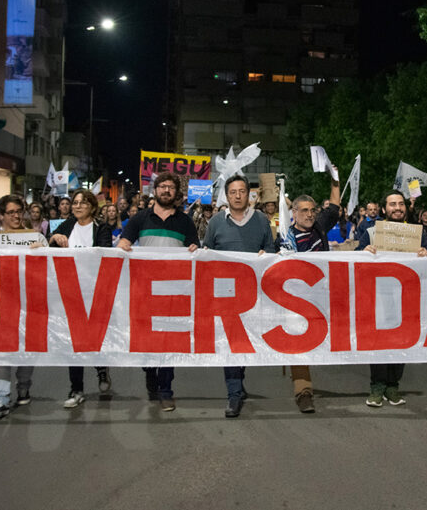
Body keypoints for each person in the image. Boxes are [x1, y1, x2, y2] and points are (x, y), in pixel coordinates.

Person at [118, 173, 200, 411]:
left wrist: (195, 248)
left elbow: (194, 248)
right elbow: (124, 242)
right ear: (155, 190)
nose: (166, 190)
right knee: (147, 341)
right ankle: (149, 371)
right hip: (144, 290)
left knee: (168, 342)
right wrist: (123, 245)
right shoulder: (140, 219)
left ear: (176, 193)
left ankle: (166, 391)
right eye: (162, 186)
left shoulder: (185, 221)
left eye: (171, 187)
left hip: (173, 291)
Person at [202, 175, 276, 418]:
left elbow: (272, 252)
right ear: (227, 195)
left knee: (246, 342)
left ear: (248, 194)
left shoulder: (262, 221)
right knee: (231, 344)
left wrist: (267, 254)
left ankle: (238, 382)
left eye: (241, 191)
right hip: (225, 296)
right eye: (232, 191)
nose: (237, 195)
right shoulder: (215, 223)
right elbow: (208, 255)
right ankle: (233, 395)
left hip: (253, 293)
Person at [357, 191, 427, 408]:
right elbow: (354, 256)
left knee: (401, 339)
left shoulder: (417, 234)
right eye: (392, 204)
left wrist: (425, 253)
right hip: (380, 296)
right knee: (379, 341)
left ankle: (393, 385)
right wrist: (364, 250)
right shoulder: (372, 232)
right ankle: (377, 386)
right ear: (384, 209)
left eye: (401, 204)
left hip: (407, 297)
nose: (397, 208)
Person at [276, 171, 342, 413]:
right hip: (296, 302)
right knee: (299, 347)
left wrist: (335, 179)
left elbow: (334, 207)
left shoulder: (320, 228)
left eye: (312, 210)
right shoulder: (285, 238)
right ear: (293, 214)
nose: (309, 214)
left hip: (322, 297)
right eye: (303, 210)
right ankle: (303, 392)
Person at [50, 188, 114, 408]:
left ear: (92, 207)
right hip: (70, 292)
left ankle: (101, 368)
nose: (77, 206)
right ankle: (76, 389)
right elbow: (51, 247)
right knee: (73, 343)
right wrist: (54, 237)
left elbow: (104, 253)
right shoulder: (67, 226)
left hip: (94, 292)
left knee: (94, 338)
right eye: (74, 202)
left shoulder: (102, 228)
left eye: (82, 203)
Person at [0, 195, 46, 420]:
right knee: (2, 352)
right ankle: (1, 397)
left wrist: (44, 250)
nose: (16, 216)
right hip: (1, 304)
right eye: (11, 212)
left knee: (25, 351)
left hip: (30, 304)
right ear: (1, 216)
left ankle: (23, 388)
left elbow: (52, 267)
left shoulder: (36, 237)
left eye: (19, 211)